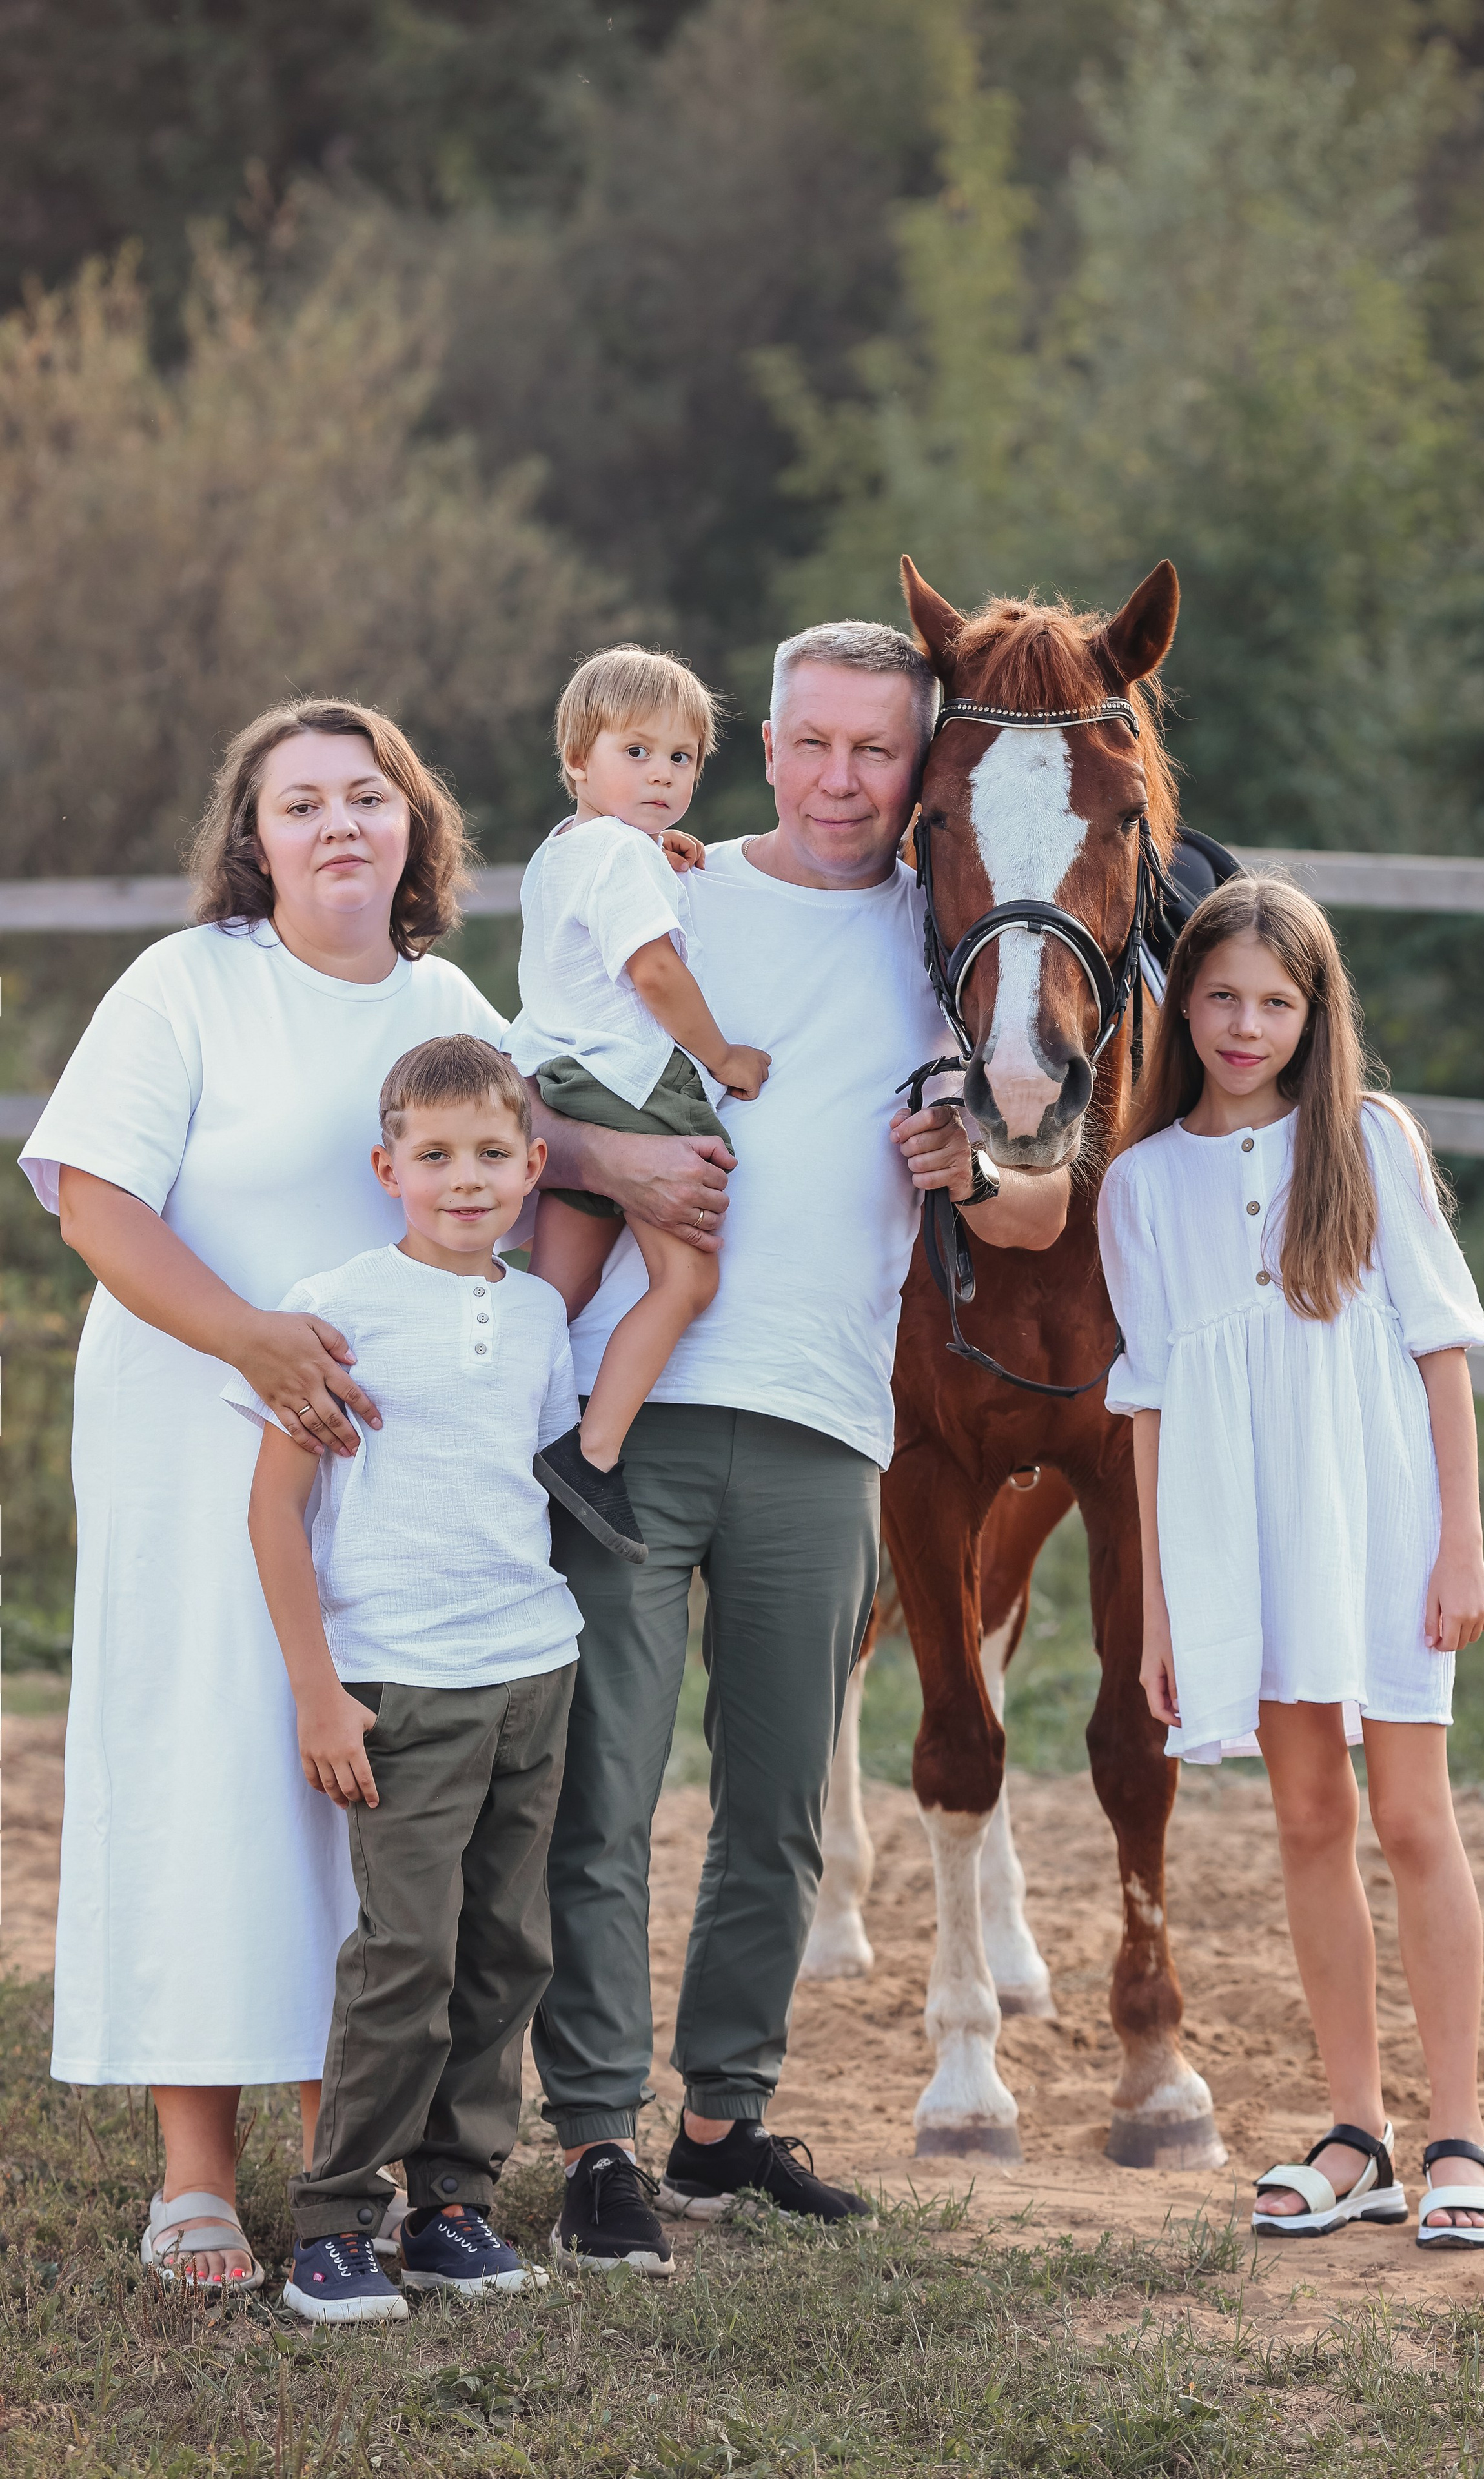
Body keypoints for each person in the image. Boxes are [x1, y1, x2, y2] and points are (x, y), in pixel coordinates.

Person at [522, 620, 1072, 2274]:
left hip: (831, 1419)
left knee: (775, 1804)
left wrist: (965, 1177)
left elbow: (1049, 1204)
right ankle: (598, 2140)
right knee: (606, 1793)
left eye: (876, 751)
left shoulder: (948, 942)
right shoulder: (651, 882)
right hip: (631, 1408)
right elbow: (504, 1097)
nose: (842, 778)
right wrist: (614, 1172)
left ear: (918, 767)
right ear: (767, 742)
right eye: (813, 743)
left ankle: (721, 2126)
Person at [20, 700, 506, 2293]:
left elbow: (511, 1163)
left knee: (348, 1772)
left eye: (367, 795)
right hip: (188, 1419)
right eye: (301, 804)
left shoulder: (444, 999)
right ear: (256, 840)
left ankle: (342, 2168)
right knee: (209, 1762)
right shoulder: (188, 985)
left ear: (414, 824)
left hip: (375, 1459)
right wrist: (253, 1340)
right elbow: (94, 1204)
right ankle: (193, 2179)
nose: (339, 824)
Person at [1098, 874, 1484, 2250]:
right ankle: (1358, 2134)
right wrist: (1160, 1612)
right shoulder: (1139, 1182)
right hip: (1237, 1535)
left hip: (1380, 1518)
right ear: (1182, 1004)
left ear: (1311, 1012)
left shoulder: (1363, 1140)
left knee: (1410, 1818)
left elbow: (1439, 1353)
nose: (1241, 1025)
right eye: (1217, 997)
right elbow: (1151, 1408)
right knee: (1305, 1822)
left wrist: (1460, 1541)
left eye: (1272, 1003)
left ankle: (1457, 2134)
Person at [230, 1035, 580, 2321]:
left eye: (492, 1155)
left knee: (504, 1951)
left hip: (533, 1670)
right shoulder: (336, 1308)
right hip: (400, 1686)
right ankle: (333, 2220)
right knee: (404, 1958)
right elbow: (277, 1514)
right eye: (435, 1157)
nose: (465, 1179)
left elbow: (531, 1477)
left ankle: (453, 2206)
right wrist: (320, 1691)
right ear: (388, 1167)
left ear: (533, 1169)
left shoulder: (540, 1312)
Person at [506, 646, 771, 1562]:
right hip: (633, 1083)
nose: (662, 774)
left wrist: (654, 848)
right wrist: (723, 1056)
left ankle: (489, 1435)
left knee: (554, 1294)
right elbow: (652, 972)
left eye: (683, 758)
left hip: (566, 1076)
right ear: (578, 758)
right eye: (637, 753)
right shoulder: (623, 857)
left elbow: (600, 897)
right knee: (688, 1277)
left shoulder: (567, 849)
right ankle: (591, 1454)